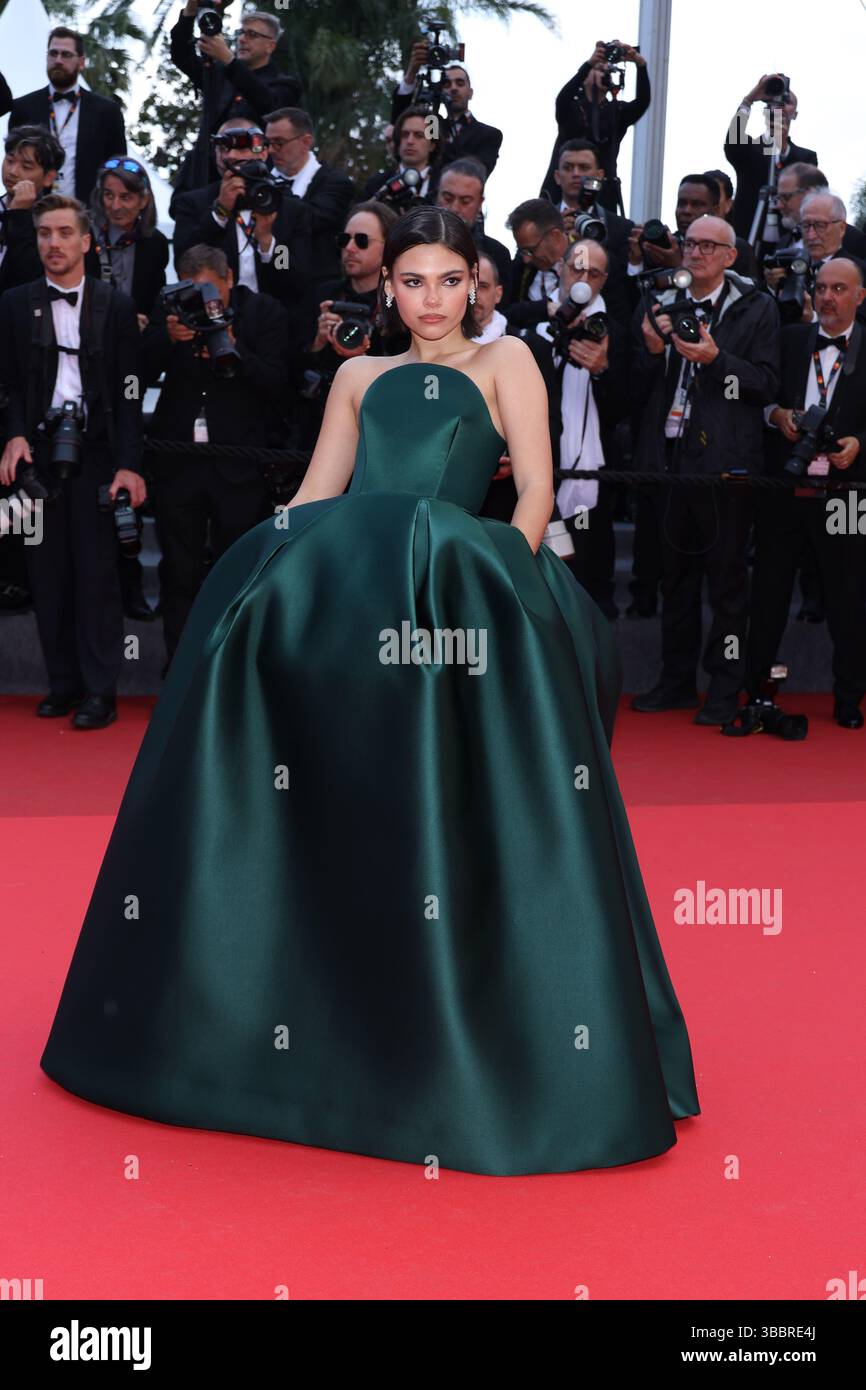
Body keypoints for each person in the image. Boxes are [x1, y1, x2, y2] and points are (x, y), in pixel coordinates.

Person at [38, 205, 699, 1177]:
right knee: (291, 704)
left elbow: (532, 492)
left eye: (446, 281)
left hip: (465, 586)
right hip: (363, 595)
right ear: (385, 290)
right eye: (410, 281)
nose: (429, 300)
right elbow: (318, 496)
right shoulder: (355, 375)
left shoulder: (505, 361)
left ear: (474, 286)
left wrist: (499, 575)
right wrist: (259, 557)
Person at [0, 194, 145, 730]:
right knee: (47, 572)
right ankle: (61, 684)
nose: (53, 243)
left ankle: (99, 690)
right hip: (36, 459)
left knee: (96, 574)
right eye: (43, 234)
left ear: (87, 241)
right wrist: (13, 435)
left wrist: (130, 466)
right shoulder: (15, 303)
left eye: (63, 233)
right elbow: (7, 384)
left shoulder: (116, 304)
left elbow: (130, 393)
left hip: (99, 455)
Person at [629, 215, 780, 726]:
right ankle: (675, 681)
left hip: (726, 467)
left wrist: (717, 360)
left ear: (730, 257)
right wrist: (652, 350)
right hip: (669, 461)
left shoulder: (757, 308)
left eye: (708, 246)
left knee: (728, 587)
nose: (694, 254)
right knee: (676, 581)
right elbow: (630, 385)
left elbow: (764, 385)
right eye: (689, 243)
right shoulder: (660, 300)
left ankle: (724, 687)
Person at [142, 243, 290, 669]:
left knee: (239, 573)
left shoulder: (265, 313)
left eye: (211, 292)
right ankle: (180, 670)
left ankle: (232, 670)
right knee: (179, 573)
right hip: (179, 465)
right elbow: (136, 371)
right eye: (194, 292)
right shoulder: (170, 309)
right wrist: (168, 338)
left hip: (239, 467)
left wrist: (234, 351)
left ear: (229, 280)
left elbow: (278, 386)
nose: (205, 302)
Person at [745, 258, 866, 730]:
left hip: (848, 494)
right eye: (821, 288)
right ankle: (756, 689)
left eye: (839, 288)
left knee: (849, 595)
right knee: (770, 590)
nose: (828, 297)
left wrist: (860, 444)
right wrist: (778, 416)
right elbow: (761, 396)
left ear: (860, 296)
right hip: (785, 487)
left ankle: (849, 696)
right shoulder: (791, 339)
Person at [172, 116, 313, 335]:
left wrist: (269, 243)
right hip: (211, 322)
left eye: (241, 149)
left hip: (273, 328)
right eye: (223, 148)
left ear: (263, 152)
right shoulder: (193, 203)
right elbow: (184, 262)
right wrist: (220, 212)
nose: (231, 156)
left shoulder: (289, 209)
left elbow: (296, 280)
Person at [169, 1, 301, 202]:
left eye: (252, 35)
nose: (242, 39)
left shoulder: (283, 84)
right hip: (199, 179)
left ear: (270, 45)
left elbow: (268, 105)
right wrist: (190, 12)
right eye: (241, 33)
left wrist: (229, 60)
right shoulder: (218, 72)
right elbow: (181, 56)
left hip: (247, 183)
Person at [10, 27, 126, 204]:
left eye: (66, 55)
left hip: (90, 213)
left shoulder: (107, 111)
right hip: (33, 208)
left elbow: (118, 167)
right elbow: (13, 162)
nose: (58, 60)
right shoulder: (23, 107)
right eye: (53, 54)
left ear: (81, 62)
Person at [540, 39, 650, 213]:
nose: (604, 73)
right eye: (599, 70)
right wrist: (589, 64)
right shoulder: (572, 108)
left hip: (602, 189)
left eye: (608, 71)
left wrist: (640, 65)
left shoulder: (617, 110)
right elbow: (562, 98)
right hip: (563, 186)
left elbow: (642, 102)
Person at [264, 107, 355, 284]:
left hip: (314, 291)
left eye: (279, 143)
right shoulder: (261, 181)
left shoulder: (335, 183)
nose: (271, 151)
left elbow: (311, 220)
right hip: (265, 285)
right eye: (268, 143)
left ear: (305, 142)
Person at [724, 75, 817, 240]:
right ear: (765, 110)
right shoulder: (749, 149)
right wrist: (749, 99)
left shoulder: (806, 157)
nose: (779, 106)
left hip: (788, 240)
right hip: (748, 235)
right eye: (773, 103)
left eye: (786, 102)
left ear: (794, 114)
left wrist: (782, 147)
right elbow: (733, 141)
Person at [391, 44, 503, 177]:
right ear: (440, 90)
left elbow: (476, 173)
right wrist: (411, 74)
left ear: (471, 93)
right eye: (447, 84)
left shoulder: (489, 134)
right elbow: (399, 123)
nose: (453, 88)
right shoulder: (431, 124)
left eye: (460, 83)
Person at [86, 157, 170, 324]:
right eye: (109, 195)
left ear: (143, 200)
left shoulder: (156, 243)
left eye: (126, 197)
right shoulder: (85, 236)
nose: (115, 206)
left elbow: (156, 305)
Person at [433, 156, 512, 302]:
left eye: (465, 201)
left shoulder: (498, 255)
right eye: (448, 198)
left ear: (480, 203)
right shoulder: (409, 243)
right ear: (437, 195)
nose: (454, 208)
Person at [0, 126, 64, 297]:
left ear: (48, 177)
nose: (13, 172)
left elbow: (30, 277)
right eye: (10, 160)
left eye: (26, 166)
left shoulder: (57, 224)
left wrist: (18, 216)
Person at [362, 105, 439, 203]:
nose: (410, 141)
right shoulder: (376, 184)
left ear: (432, 145)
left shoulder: (445, 185)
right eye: (404, 134)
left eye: (419, 135)